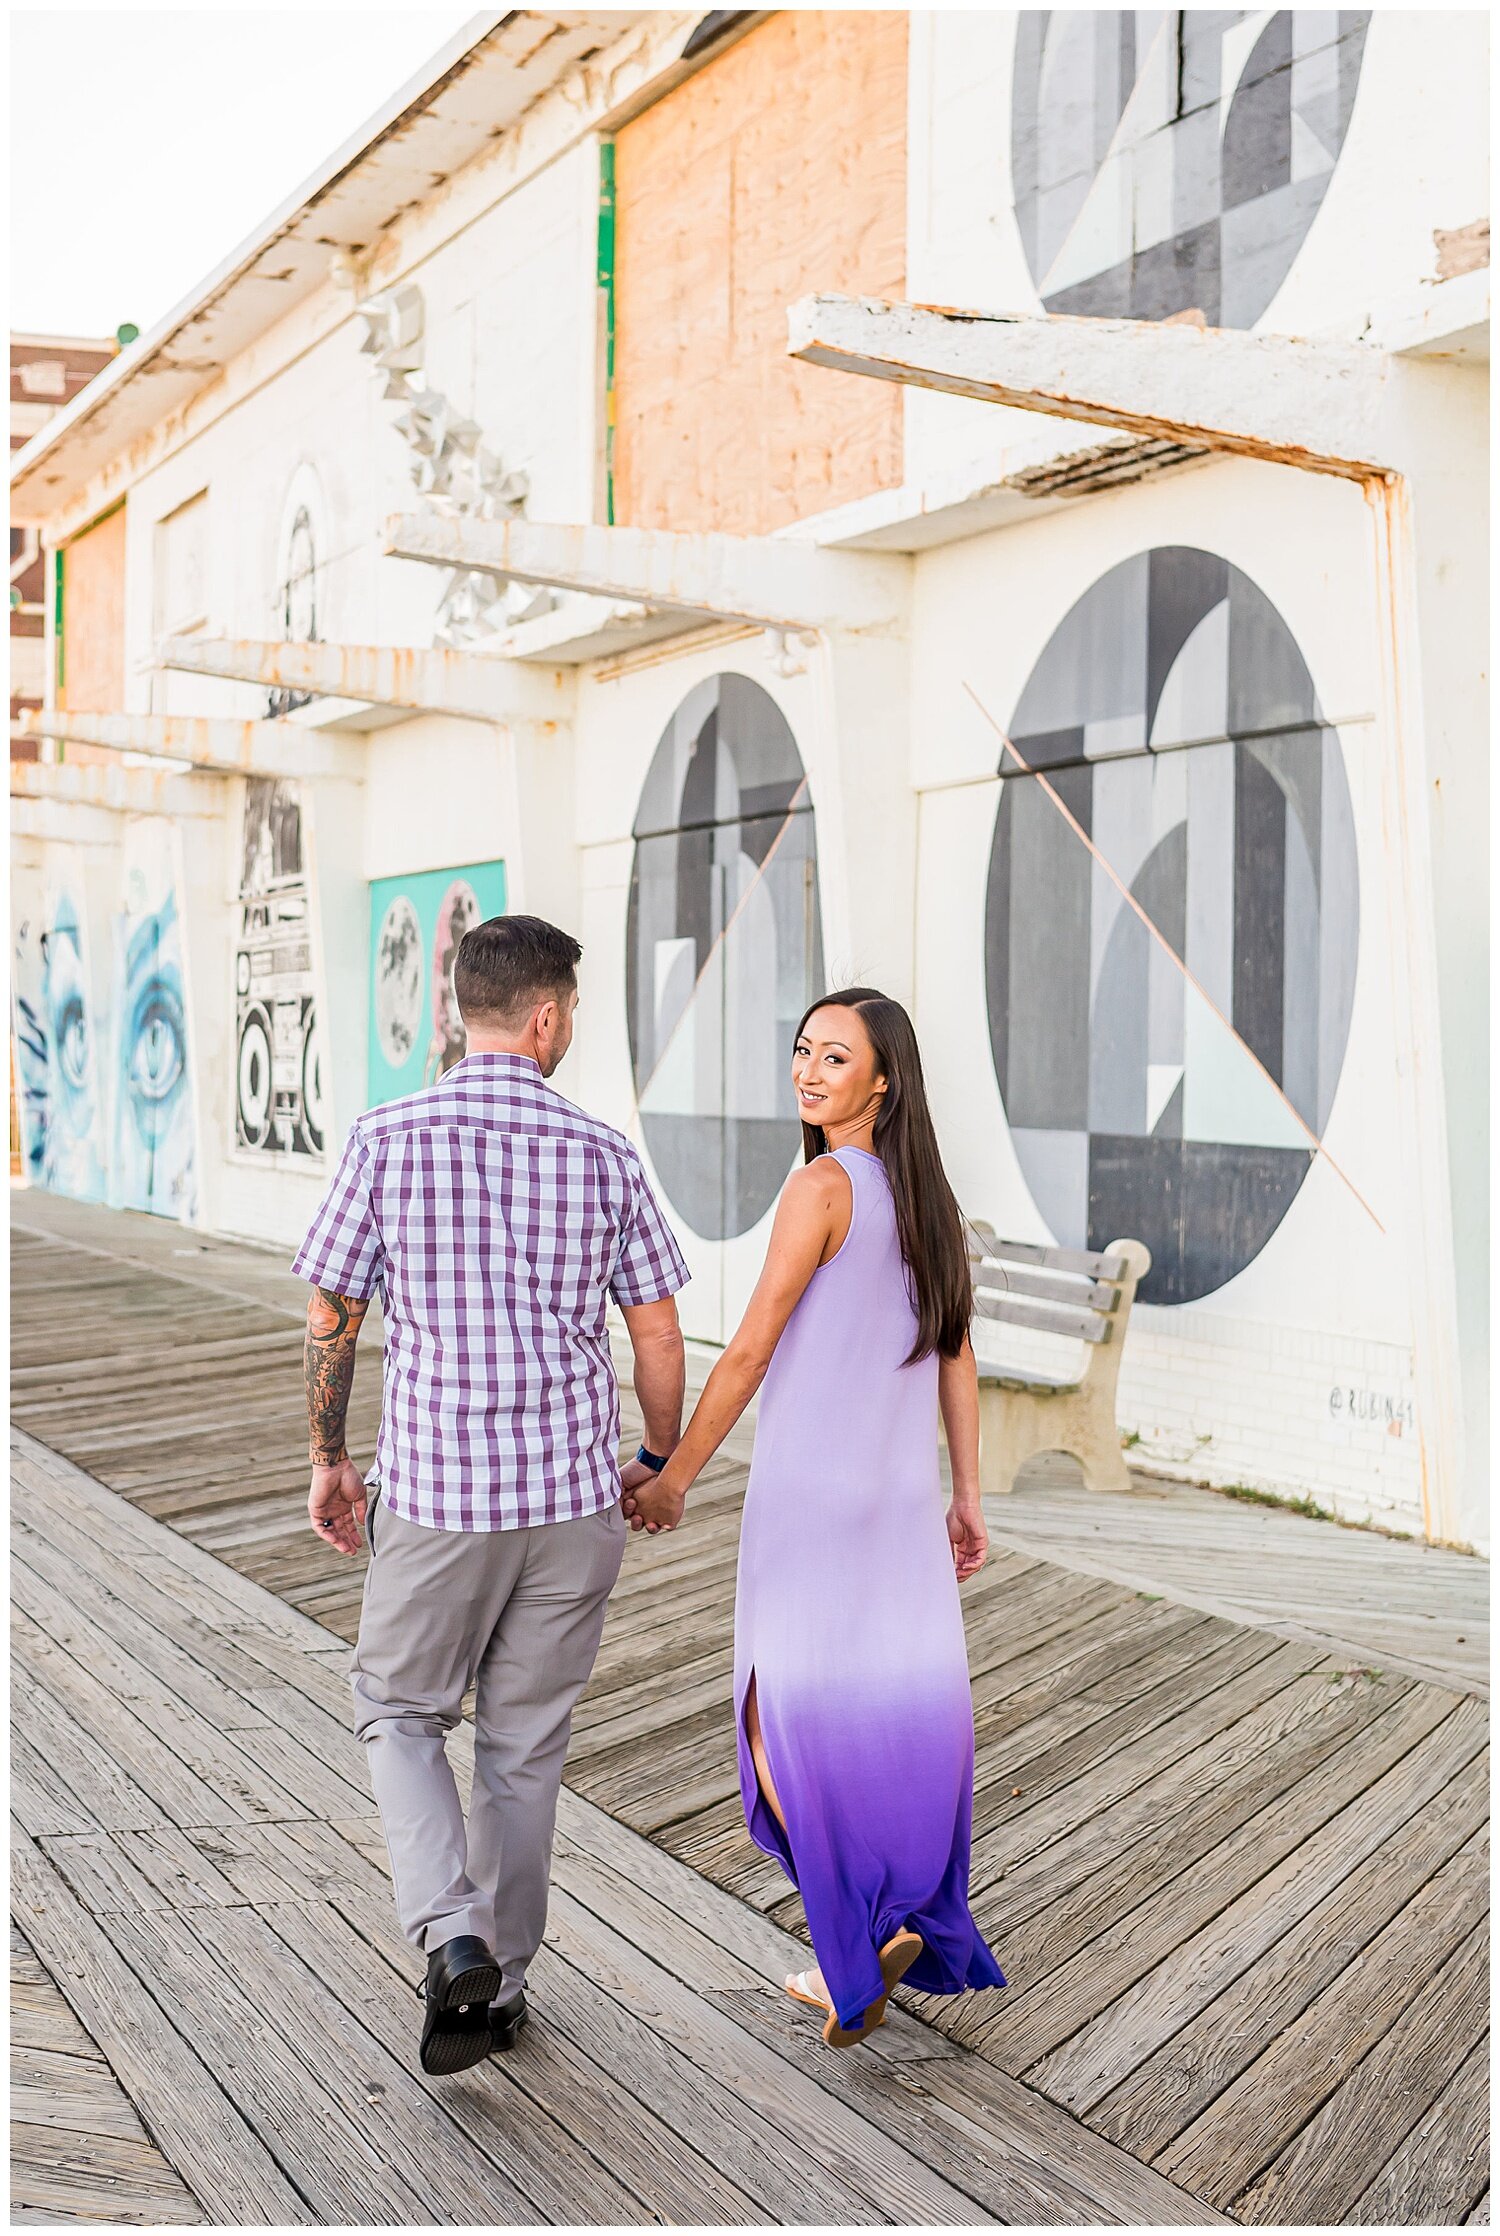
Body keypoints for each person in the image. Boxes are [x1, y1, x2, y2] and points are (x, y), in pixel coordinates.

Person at [293, 915, 689, 2076]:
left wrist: (329, 1455)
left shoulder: (385, 1136)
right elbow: (656, 1328)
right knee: (522, 1745)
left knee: (402, 1714)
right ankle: (499, 1987)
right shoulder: (605, 1152)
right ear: (548, 1015)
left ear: (461, 1008)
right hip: (573, 1502)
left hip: (440, 1500)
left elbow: (334, 1314)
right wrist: (659, 1455)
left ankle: (452, 1928)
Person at [624, 986, 1006, 2046]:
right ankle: (898, 1921)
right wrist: (967, 1497)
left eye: (835, 1058)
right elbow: (959, 1356)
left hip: (807, 1501)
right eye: (801, 1049)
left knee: (777, 1727)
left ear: (882, 1080)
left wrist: (673, 1474)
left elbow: (748, 1350)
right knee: (889, 1711)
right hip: (895, 1504)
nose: (808, 1071)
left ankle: (851, 1954)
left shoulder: (822, 1186)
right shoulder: (933, 1203)